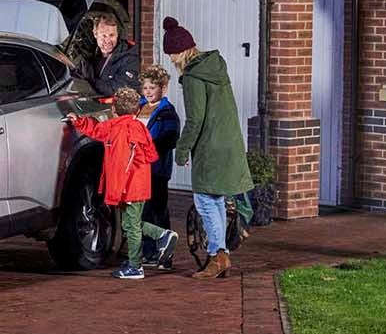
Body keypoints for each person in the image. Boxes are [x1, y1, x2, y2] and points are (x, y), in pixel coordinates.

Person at [163, 17, 252, 280]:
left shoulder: (193, 77)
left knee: (205, 201)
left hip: (210, 147)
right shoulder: (215, 68)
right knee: (216, 200)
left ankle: (218, 256)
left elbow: (195, 119)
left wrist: (181, 150)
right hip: (229, 143)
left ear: (181, 52)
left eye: (172, 54)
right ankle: (220, 254)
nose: (171, 60)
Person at [65, 87, 177, 280]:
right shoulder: (140, 127)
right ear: (136, 110)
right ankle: (162, 236)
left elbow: (95, 130)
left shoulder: (114, 127)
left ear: (115, 110)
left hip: (128, 186)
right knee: (130, 224)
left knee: (131, 227)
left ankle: (136, 265)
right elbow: (151, 154)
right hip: (141, 184)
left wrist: (77, 121)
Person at [136, 65, 181, 260]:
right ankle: (147, 251)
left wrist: (149, 149)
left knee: (157, 211)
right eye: (145, 88)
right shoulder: (138, 107)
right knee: (141, 211)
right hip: (138, 168)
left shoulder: (167, 112)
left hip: (156, 169)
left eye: (152, 88)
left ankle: (164, 254)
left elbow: (171, 138)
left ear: (162, 88)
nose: (148, 92)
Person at [76, 11, 140, 97]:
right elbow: (76, 78)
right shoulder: (88, 56)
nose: (107, 40)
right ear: (95, 34)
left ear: (117, 35)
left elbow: (115, 90)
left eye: (111, 35)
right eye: (103, 35)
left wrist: (88, 82)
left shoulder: (130, 59)